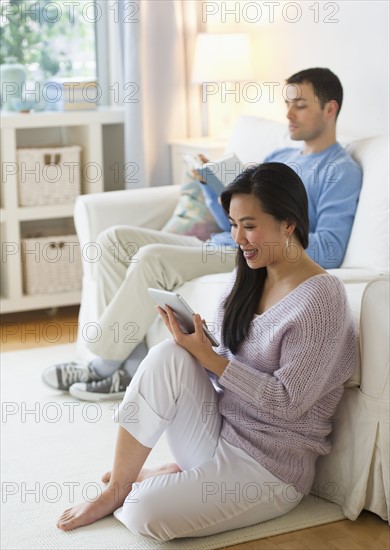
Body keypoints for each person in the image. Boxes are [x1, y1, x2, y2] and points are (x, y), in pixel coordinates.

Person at [56, 163, 357, 539]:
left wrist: (211, 359)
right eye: (233, 224)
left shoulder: (322, 299)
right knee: (168, 355)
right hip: (220, 432)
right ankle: (117, 487)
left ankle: (171, 476)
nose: (238, 237)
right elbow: (226, 367)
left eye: (249, 225)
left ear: (289, 223)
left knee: (142, 512)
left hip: (270, 471)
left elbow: (287, 402)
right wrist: (195, 346)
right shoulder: (249, 276)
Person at [42, 67, 362, 401]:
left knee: (153, 258)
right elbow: (236, 223)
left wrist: (271, 239)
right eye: (287, 103)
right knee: (113, 241)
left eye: (300, 105)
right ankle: (130, 362)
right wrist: (214, 185)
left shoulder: (339, 171)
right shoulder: (279, 157)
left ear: (330, 109)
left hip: (258, 251)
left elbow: (331, 248)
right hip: (226, 242)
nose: (288, 114)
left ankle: (103, 364)